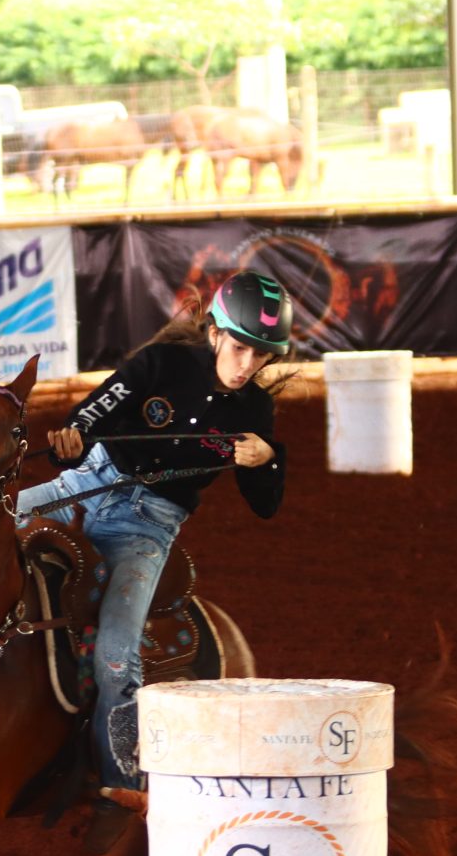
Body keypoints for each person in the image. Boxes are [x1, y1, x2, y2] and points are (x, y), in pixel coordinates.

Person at [17, 269, 291, 825]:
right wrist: (70, 443)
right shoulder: (159, 366)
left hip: (147, 527)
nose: (247, 365)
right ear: (215, 333)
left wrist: (270, 460)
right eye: (240, 348)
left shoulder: (254, 414)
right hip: (81, 485)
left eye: (261, 356)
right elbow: (90, 418)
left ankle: (121, 790)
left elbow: (265, 504)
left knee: (118, 657)